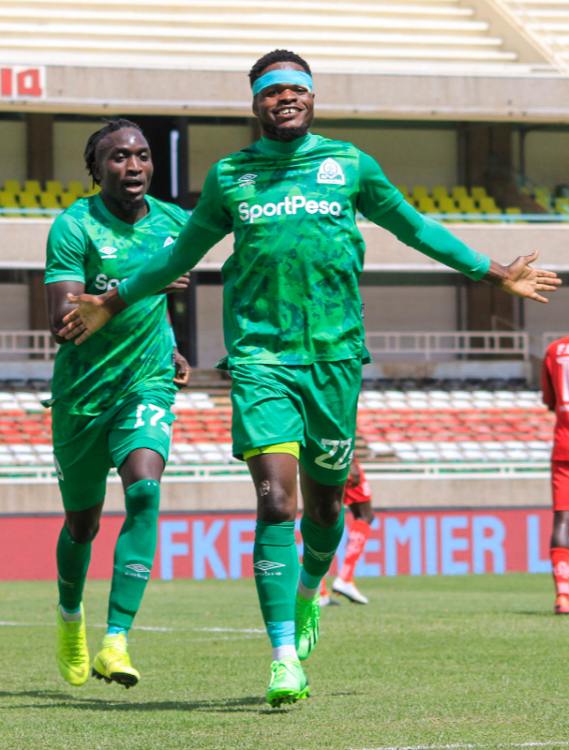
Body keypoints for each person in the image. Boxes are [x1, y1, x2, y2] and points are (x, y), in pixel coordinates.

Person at [57, 50, 560, 706]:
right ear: (255, 103)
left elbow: (414, 228)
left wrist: (493, 272)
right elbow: (178, 257)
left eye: (296, 89)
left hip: (334, 363)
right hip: (262, 361)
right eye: (272, 91)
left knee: (324, 510)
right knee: (275, 503)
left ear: (312, 98)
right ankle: (282, 655)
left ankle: (309, 589)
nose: (284, 99)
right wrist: (113, 300)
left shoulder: (349, 166)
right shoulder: (231, 178)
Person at [45, 118, 191, 689]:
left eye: (143, 156)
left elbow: (168, 299)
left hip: (145, 383)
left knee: (145, 490)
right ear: (96, 167)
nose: (134, 167)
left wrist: (174, 345)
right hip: (81, 395)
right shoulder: (74, 225)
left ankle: (116, 639)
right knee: (82, 524)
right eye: (119, 157)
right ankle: (69, 619)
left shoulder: (175, 221)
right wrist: (146, 278)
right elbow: (62, 321)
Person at [320, 456, 374, 606]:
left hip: (312, 459)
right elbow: (343, 431)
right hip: (338, 455)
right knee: (365, 514)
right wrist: (351, 461)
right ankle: (344, 578)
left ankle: (318, 591)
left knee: (318, 520)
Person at [541, 335, 569, 614]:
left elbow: (549, 399)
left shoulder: (555, 349)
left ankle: (563, 596)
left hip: (564, 444)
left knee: (563, 518)